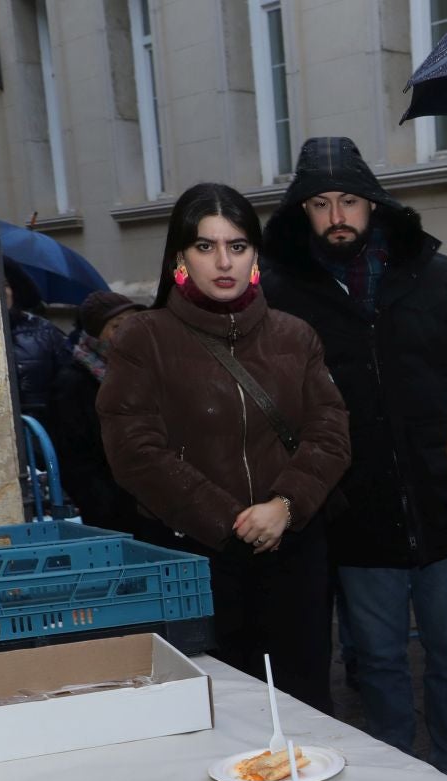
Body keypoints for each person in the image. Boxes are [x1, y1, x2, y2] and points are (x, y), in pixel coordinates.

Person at [261, 137, 447, 779]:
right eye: (321, 203)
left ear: (374, 204)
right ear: (301, 212)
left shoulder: (433, 275)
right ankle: (397, 780)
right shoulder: (282, 295)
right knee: (379, 660)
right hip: (355, 517)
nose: (338, 216)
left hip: (443, 507)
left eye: (350, 201)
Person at [98, 183, 351, 710]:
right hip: (193, 562)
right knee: (216, 713)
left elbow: (330, 432)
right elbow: (135, 449)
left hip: (292, 555)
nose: (223, 262)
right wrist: (233, 518)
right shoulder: (144, 338)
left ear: (255, 255)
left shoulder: (295, 336)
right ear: (179, 258)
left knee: (302, 709)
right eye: (205, 246)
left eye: (237, 246)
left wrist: (284, 506)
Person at [49, 290, 145, 532]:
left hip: (155, 500)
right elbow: (74, 457)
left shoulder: (148, 371)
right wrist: (104, 505)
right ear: (94, 334)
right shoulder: (74, 382)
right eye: (116, 326)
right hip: (114, 510)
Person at [3, 260, 71, 422]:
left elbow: (68, 389)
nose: (0, 290)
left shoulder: (44, 331)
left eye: (5, 284)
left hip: (41, 435)